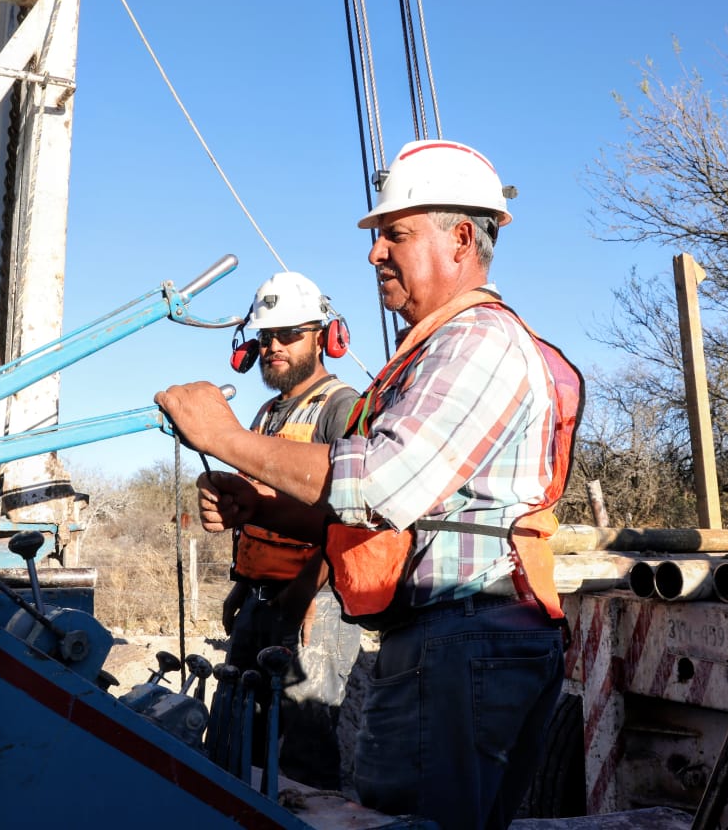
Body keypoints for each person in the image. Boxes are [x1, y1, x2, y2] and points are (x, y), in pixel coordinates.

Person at [157, 139, 583, 830]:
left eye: (395, 235)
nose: (374, 253)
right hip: (448, 639)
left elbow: (380, 485)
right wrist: (261, 508)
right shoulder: (434, 351)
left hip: (463, 636)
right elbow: (388, 519)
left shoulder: (477, 340)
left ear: (462, 239)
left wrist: (223, 439)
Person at [219, 271, 362, 789]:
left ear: (323, 336)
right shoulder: (266, 413)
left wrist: (307, 591)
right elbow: (259, 509)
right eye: (265, 337)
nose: (274, 346)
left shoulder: (341, 406)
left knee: (305, 748)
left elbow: (355, 515)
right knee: (235, 736)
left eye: (289, 334)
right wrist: (242, 585)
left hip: (315, 602)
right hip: (261, 596)